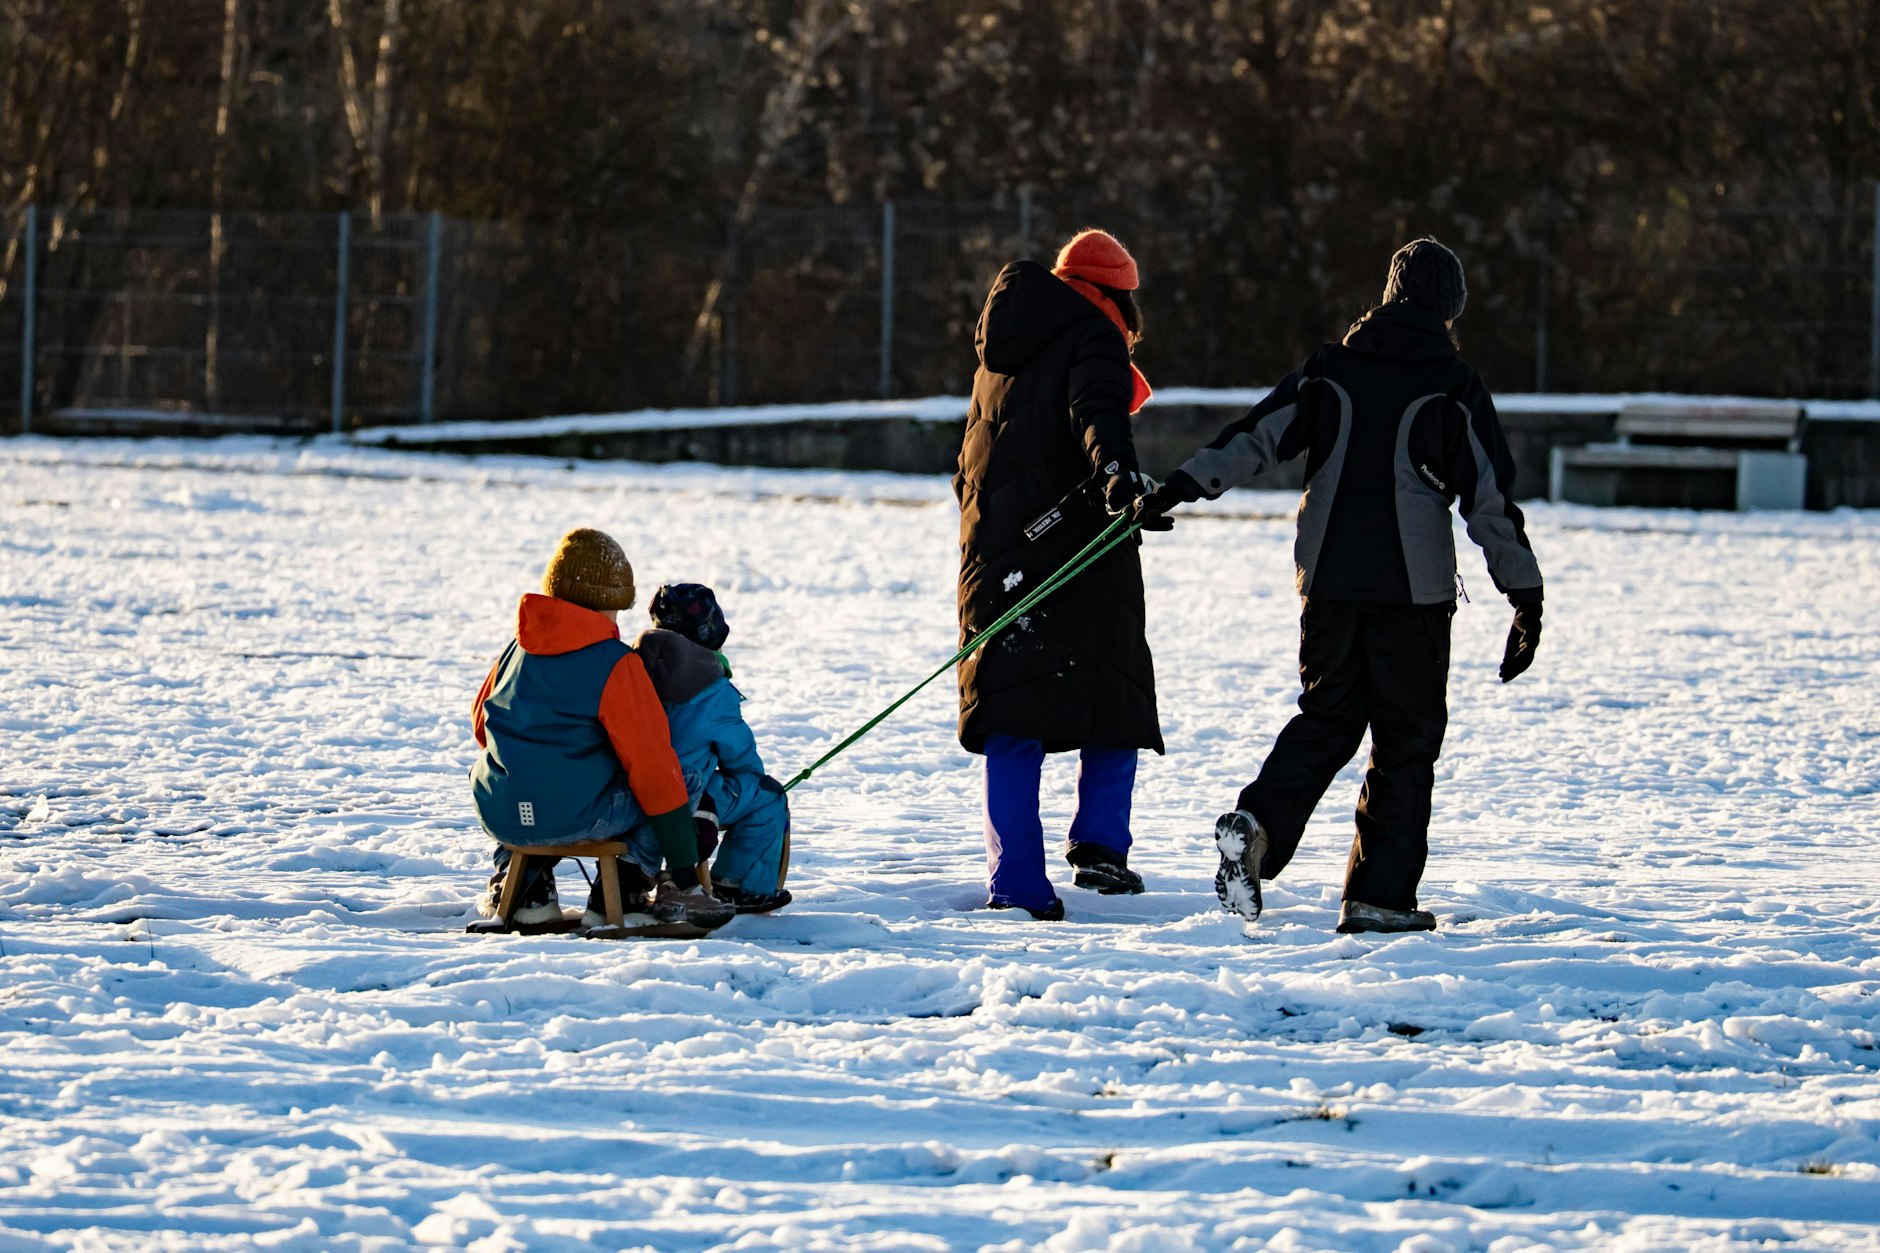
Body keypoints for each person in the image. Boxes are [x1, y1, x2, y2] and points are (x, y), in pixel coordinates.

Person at [1138, 237, 1545, 934]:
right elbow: (1489, 500)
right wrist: (1524, 593)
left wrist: (1182, 484)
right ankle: (1379, 895)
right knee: (1406, 738)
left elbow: (1257, 438)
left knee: (1328, 714)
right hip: (1411, 594)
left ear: (1387, 298)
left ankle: (1257, 823)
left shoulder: (1331, 370)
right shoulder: (1454, 385)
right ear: (1450, 308)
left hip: (1326, 581)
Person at [954, 228, 1168, 920]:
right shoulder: (1093, 334)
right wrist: (1118, 478)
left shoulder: (1002, 348)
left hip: (995, 552)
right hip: (1077, 549)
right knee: (1115, 685)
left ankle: (1014, 879)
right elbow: (1098, 416)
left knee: (1010, 708)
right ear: (1115, 296)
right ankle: (1101, 848)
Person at [470, 528, 735, 931]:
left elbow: (481, 726)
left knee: (522, 776)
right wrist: (683, 872)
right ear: (609, 601)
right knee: (682, 774)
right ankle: (628, 885)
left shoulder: (516, 649)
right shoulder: (614, 663)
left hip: (501, 813)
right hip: (575, 815)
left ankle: (527, 886)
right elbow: (653, 767)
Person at [633, 582, 792, 914]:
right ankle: (738, 887)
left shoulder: (629, 669)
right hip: (682, 797)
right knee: (767, 797)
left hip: (624, 794)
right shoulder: (711, 689)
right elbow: (742, 760)